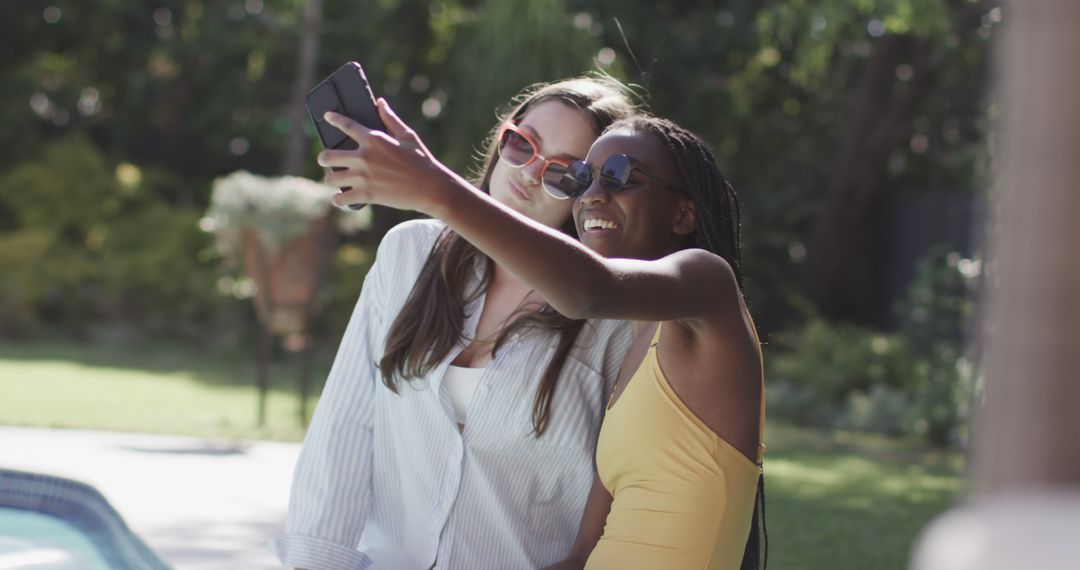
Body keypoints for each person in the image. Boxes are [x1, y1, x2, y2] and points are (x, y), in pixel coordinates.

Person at [319, 105, 766, 569]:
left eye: (618, 175)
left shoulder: (708, 286)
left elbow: (589, 292)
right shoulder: (636, 347)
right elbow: (579, 559)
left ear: (683, 213)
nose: (591, 195)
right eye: (582, 179)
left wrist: (436, 191)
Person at [273, 77, 639, 570]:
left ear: (588, 193)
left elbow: (620, 498)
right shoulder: (410, 253)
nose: (530, 172)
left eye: (563, 173)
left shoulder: (614, 317)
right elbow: (345, 428)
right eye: (521, 143)